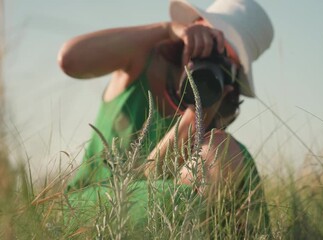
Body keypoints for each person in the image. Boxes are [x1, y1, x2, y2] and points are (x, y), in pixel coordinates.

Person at [58, 0, 274, 237]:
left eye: (224, 57)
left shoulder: (216, 105)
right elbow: (70, 59)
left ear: (234, 74)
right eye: (210, 40)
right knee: (178, 201)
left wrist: (198, 115)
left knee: (222, 148)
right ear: (191, 29)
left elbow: (161, 188)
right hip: (97, 202)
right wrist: (167, 29)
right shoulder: (141, 61)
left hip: (165, 212)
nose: (209, 55)